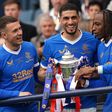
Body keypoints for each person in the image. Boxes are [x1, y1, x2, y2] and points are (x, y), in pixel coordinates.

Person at [38, 3, 99, 111]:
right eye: (66, 18)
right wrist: (53, 73)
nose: (70, 22)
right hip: (61, 105)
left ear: (79, 18)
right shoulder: (50, 43)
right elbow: (40, 74)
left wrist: (88, 75)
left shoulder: (92, 40)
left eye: (73, 17)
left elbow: (100, 71)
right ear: (60, 19)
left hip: (87, 103)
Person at [75, 9, 112, 112]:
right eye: (93, 24)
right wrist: (84, 83)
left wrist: (94, 69)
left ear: (109, 25)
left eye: (97, 24)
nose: (93, 28)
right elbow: (105, 82)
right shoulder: (101, 47)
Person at [0, 16, 40, 112]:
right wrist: (18, 95)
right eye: (15, 31)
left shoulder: (30, 47)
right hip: (9, 108)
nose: (20, 33)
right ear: (4, 35)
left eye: (20, 28)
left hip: (32, 107)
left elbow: (38, 76)